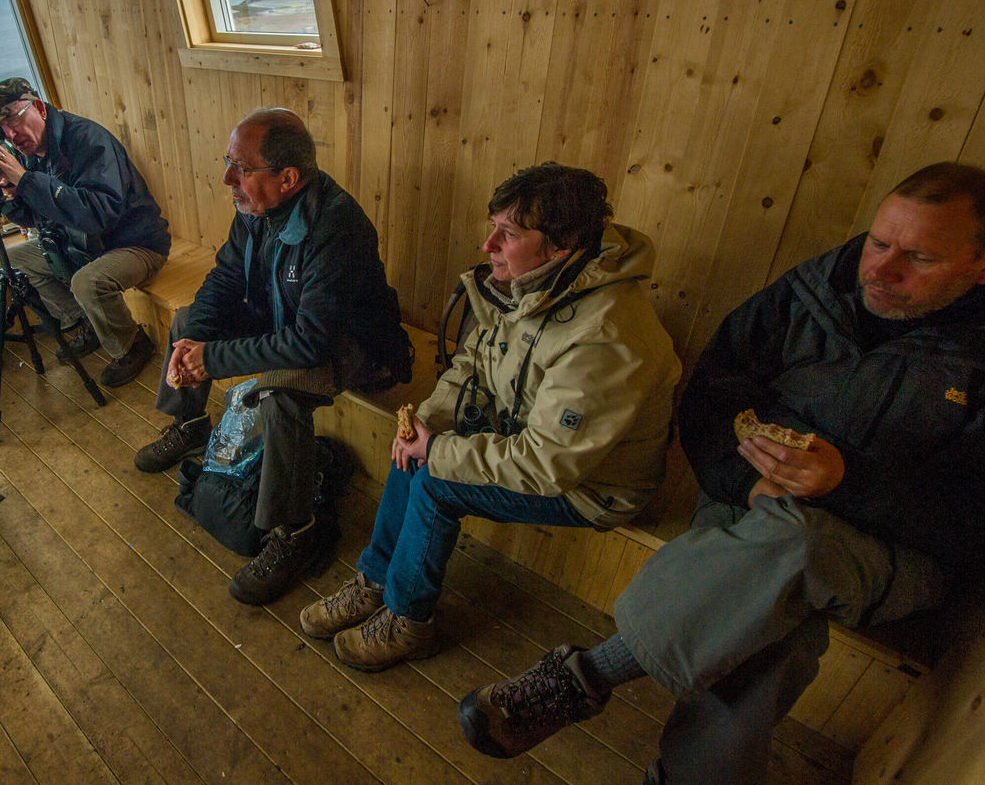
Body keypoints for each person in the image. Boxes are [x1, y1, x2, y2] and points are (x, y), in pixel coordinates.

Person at [457, 161, 985, 784]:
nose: (880, 269)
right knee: (768, 648)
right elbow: (712, 392)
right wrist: (742, 481)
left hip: (889, 547)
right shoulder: (817, 290)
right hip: (747, 499)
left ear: (980, 267)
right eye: (878, 242)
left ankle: (588, 675)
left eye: (919, 258)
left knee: (798, 542)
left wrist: (849, 482)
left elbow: (970, 521)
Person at [300, 163, 681, 671]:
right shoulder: (536, 281)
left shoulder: (606, 338)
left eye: (509, 234)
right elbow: (473, 362)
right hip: (525, 435)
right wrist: (427, 422)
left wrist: (436, 451)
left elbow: (549, 466)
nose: (488, 246)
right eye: (494, 227)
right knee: (414, 441)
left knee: (436, 476)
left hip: (590, 485)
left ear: (561, 245)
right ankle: (374, 580)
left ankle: (407, 620)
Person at [134, 107, 413, 605]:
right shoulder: (255, 207)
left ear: (288, 178)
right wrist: (192, 343)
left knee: (280, 390)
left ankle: (296, 531)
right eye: (228, 162)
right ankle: (189, 424)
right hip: (287, 317)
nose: (227, 179)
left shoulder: (335, 226)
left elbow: (311, 343)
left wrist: (213, 358)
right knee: (185, 323)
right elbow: (223, 278)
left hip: (354, 345)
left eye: (240, 167)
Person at [0, 78, 171, 388]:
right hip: (79, 245)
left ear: (38, 107)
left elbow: (97, 215)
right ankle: (86, 321)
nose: (11, 133)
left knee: (87, 282)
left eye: (14, 117)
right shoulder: (28, 155)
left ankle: (133, 344)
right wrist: (13, 197)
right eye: (2, 127)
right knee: (4, 263)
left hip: (134, 243)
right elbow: (36, 219)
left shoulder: (86, 140)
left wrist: (26, 181)